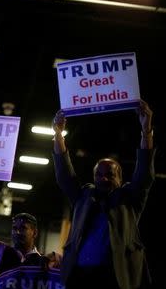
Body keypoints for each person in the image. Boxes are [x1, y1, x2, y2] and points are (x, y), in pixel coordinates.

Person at [52, 100, 155, 289]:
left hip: (114, 279)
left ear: (120, 178)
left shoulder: (129, 198)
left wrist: (146, 130)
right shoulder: (84, 196)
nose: (103, 179)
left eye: (110, 175)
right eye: (99, 174)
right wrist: (58, 135)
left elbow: (144, 174)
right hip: (80, 277)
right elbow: (64, 175)